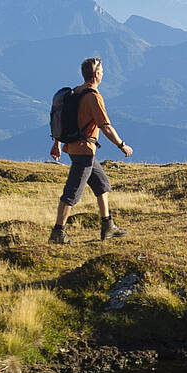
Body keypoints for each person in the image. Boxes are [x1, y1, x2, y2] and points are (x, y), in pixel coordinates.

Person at [48, 56, 134, 243]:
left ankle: (108, 226)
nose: (103, 74)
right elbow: (105, 126)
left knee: (102, 184)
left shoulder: (76, 92)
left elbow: (63, 119)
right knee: (71, 193)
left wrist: (56, 143)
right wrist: (121, 145)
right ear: (96, 75)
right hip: (84, 152)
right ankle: (58, 233)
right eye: (102, 72)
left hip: (76, 148)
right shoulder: (93, 96)